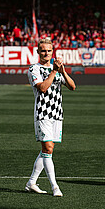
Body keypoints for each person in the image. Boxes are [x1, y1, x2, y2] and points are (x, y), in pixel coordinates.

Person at [25, 38, 76, 197]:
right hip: (43, 113)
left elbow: (73, 87)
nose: (46, 53)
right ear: (38, 52)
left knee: (47, 150)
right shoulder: (34, 69)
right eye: (43, 50)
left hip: (57, 113)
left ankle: (31, 183)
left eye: (48, 50)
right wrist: (54, 71)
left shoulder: (57, 69)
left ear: (52, 52)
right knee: (48, 148)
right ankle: (55, 187)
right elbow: (43, 88)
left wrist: (63, 71)